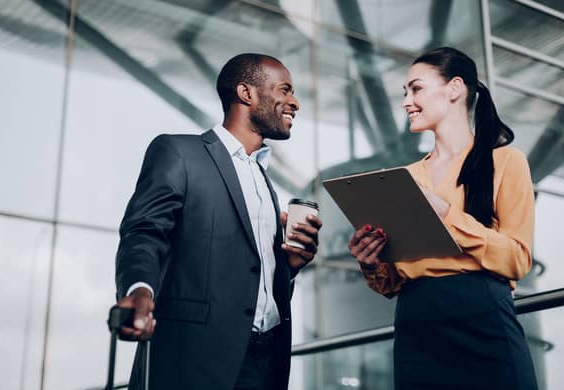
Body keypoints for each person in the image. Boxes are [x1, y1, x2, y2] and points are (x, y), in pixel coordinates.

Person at [114, 53, 322, 390]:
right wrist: (139, 290)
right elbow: (144, 232)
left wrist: (290, 267)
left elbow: (253, 274)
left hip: (265, 364)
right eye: (284, 90)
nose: (294, 102)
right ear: (246, 93)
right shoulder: (180, 153)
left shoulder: (263, 178)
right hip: (196, 359)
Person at [348, 47, 537, 390]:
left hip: (483, 317)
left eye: (416, 88)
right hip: (417, 323)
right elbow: (391, 282)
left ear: (455, 89)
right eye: (404, 92)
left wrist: (447, 214)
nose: (406, 101)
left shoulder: (507, 162)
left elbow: (517, 259)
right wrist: (371, 261)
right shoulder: (406, 178)